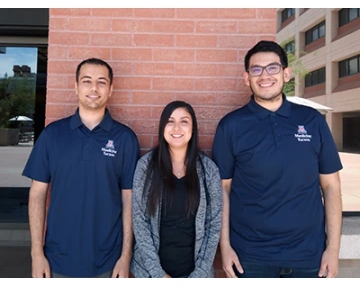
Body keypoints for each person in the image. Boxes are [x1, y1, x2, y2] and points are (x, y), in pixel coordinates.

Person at [212, 40, 343, 278]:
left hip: (309, 255)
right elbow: (223, 189)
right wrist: (225, 247)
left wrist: (333, 250)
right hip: (250, 257)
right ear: (246, 77)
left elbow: (331, 186)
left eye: (272, 68)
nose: (265, 76)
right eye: (256, 70)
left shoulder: (313, 121)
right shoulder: (231, 126)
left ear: (286, 74)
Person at [22, 58, 140, 278]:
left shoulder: (125, 139)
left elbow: (129, 200)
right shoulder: (52, 135)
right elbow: (37, 195)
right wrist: (37, 254)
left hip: (108, 262)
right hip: (57, 260)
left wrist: (125, 256)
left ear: (111, 89)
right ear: (75, 87)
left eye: (101, 82)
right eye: (87, 81)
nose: (94, 88)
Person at [131, 100, 222, 278]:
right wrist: (159, 275)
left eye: (184, 121)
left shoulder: (208, 170)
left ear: (193, 128)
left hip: (195, 274)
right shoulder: (146, 167)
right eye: (170, 121)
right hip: (150, 274)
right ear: (162, 127)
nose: (177, 128)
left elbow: (214, 224)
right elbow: (139, 220)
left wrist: (199, 275)